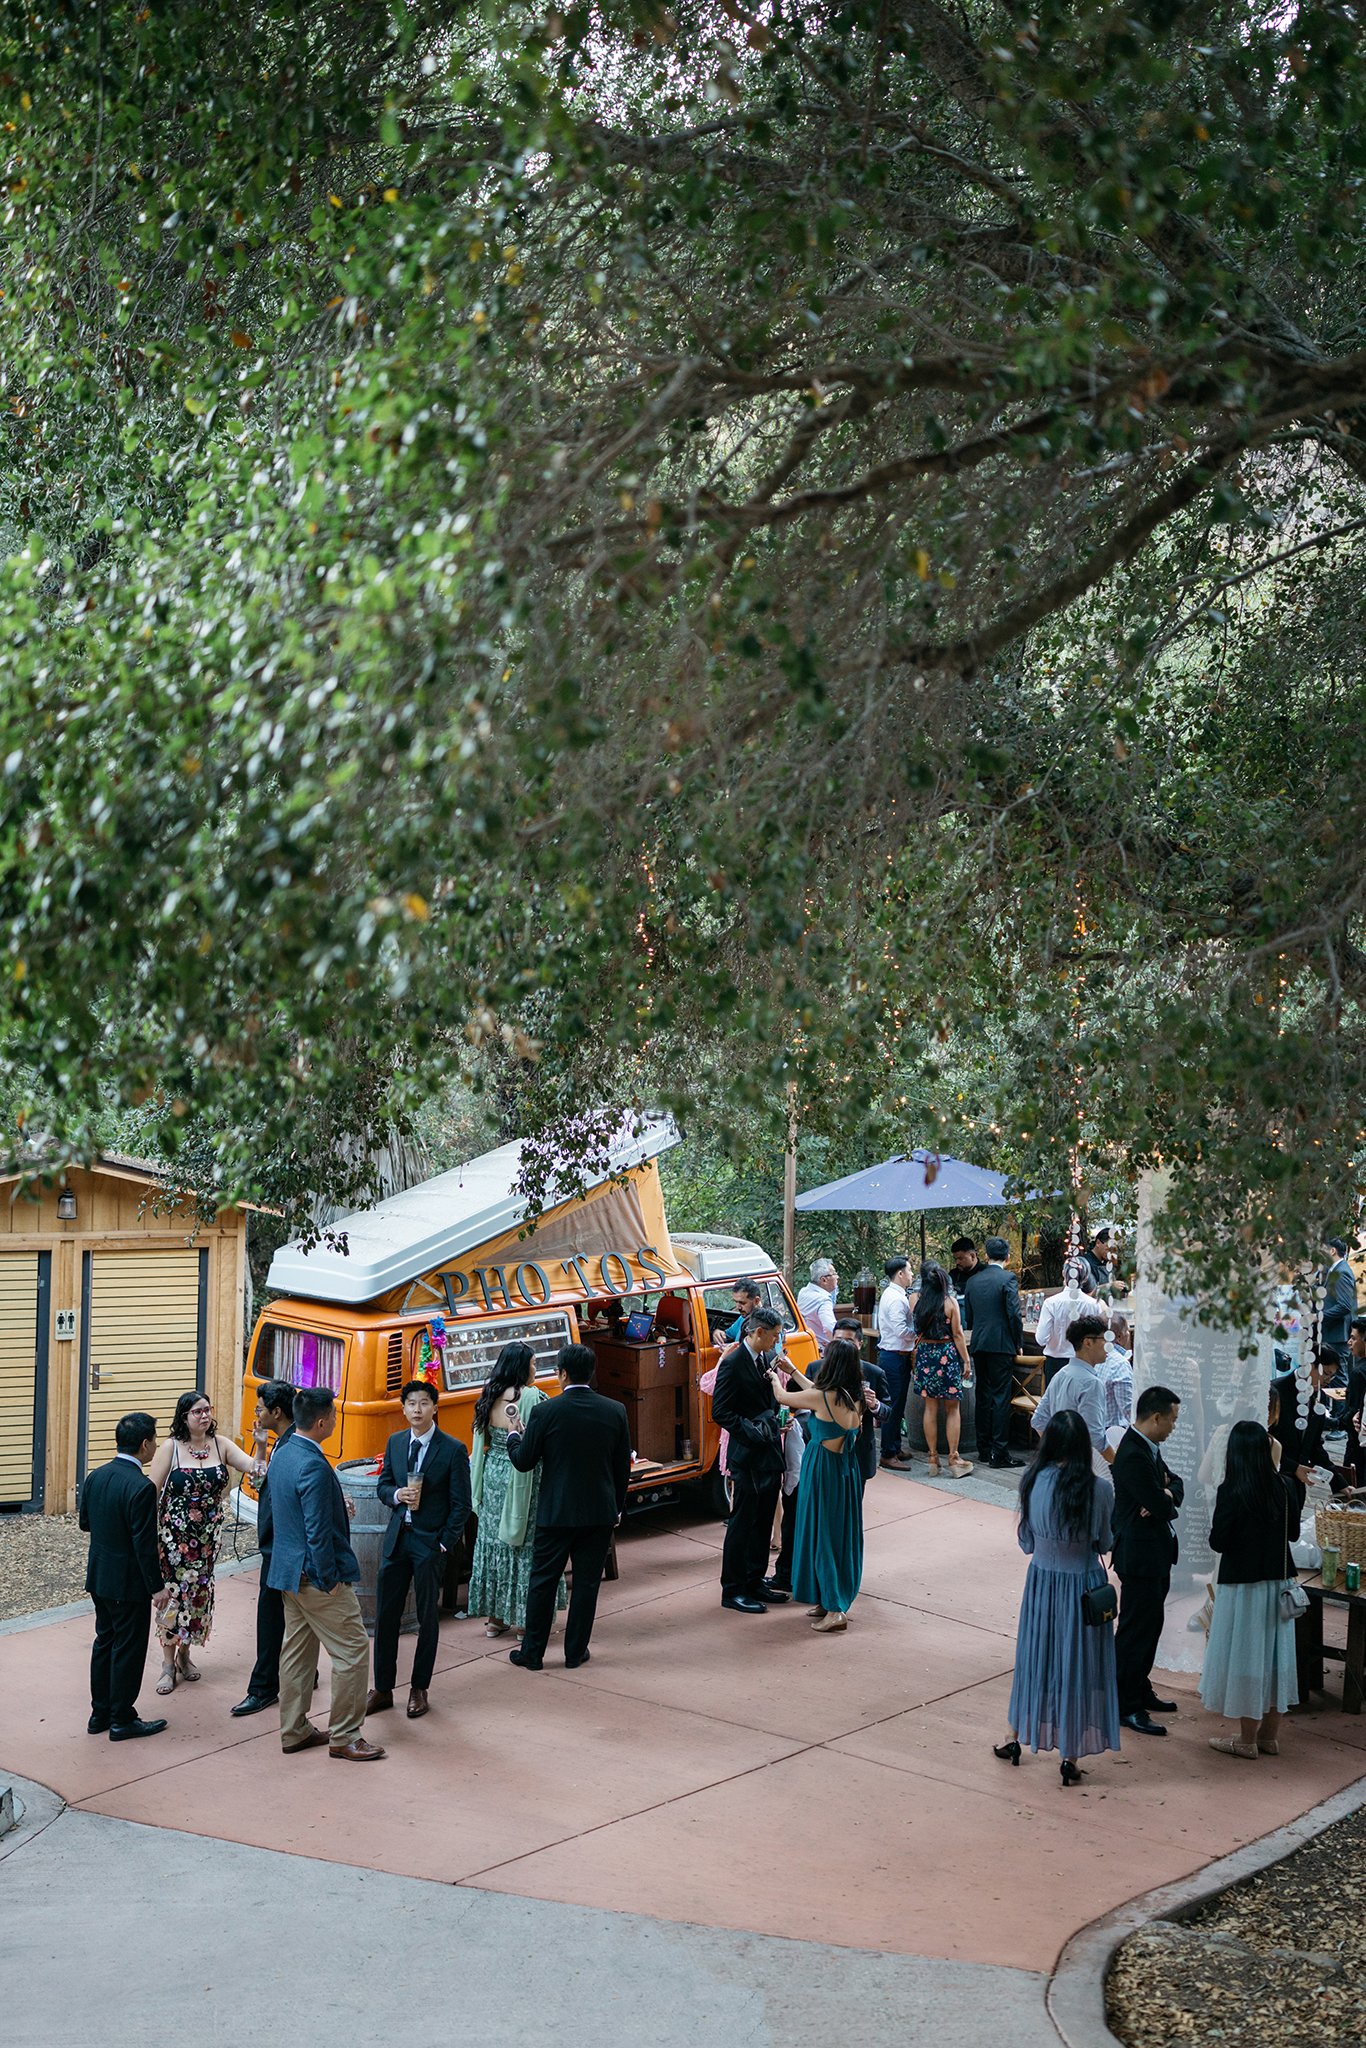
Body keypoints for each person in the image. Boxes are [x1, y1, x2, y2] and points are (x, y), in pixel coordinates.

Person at [994, 1409, 1120, 1787]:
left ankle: (1014, 1737)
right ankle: (1070, 1755)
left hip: (1042, 1583)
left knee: (1035, 1657)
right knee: (1078, 1664)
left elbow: (1026, 1542)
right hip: (1083, 1584)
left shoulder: (1032, 1481)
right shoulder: (1100, 1489)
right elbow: (1105, 1541)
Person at [265, 1385, 385, 1762]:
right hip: (316, 1576)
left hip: (287, 1572)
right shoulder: (314, 1465)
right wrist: (329, 1580)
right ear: (321, 1423)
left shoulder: (283, 1452)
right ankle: (346, 1735)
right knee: (351, 1651)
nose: (336, 1419)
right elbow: (317, 1532)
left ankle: (294, 1729)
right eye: (333, 1415)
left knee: (297, 1653)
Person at [505, 1342, 632, 1669]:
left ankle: (532, 1653)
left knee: (543, 1581)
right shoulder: (615, 1410)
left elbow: (523, 1462)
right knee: (588, 1584)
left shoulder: (545, 1412)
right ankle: (576, 1652)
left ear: (562, 1373)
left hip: (556, 1513)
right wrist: (616, 1508)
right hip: (599, 1512)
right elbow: (622, 1468)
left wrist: (513, 1437)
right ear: (592, 1373)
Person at [367, 1379, 472, 1721]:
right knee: (386, 1614)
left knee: (428, 1616)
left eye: (423, 1403)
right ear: (403, 1408)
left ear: (434, 1408)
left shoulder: (452, 1449)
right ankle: (382, 1687)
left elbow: (461, 1505)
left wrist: (443, 1541)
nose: (416, 1410)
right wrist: (397, 1495)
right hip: (399, 1538)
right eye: (411, 1403)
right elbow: (383, 1485)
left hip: (429, 1542)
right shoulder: (397, 1442)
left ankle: (419, 1687)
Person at [148, 1389, 263, 1696]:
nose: (204, 1416)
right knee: (174, 1597)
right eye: (197, 1411)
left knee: (198, 1597)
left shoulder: (220, 1444)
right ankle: (168, 1663)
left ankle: (186, 1654)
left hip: (206, 1542)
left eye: (207, 1410)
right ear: (183, 1417)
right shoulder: (170, 1448)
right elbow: (151, 1491)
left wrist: (262, 1445)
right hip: (174, 1540)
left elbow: (255, 1469)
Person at [1201, 1418, 1301, 1759]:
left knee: (1247, 1657)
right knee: (1276, 1657)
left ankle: (1245, 1739)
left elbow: (1218, 1542)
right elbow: (1293, 1535)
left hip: (1242, 1587)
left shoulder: (1231, 1490)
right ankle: (1269, 1736)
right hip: (1279, 1584)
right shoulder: (1285, 1486)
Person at [80, 1411, 171, 1741]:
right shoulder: (142, 1488)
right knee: (128, 1649)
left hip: (100, 1576)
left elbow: (85, 1524)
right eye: (154, 1441)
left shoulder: (95, 1476)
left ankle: (99, 1712)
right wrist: (157, 1587)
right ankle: (122, 1718)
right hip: (127, 1583)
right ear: (145, 1445)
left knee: (104, 1641)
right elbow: (144, 1545)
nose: (156, 1446)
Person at [467, 1343, 566, 1639]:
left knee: (493, 1543)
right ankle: (525, 1621)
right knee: (524, 1544)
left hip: (492, 1471)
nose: (536, 1369)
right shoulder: (533, 1396)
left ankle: (495, 1619)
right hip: (522, 1473)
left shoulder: (489, 1394)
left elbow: (480, 1440)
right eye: (533, 1364)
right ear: (522, 1367)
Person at [777, 1338, 870, 1632]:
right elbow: (815, 1393)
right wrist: (792, 1370)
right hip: (846, 1471)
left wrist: (772, 1378)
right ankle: (827, 1599)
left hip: (823, 1470)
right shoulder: (851, 1395)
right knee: (836, 1534)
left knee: (823, 1536)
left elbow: (785, 1398)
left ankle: (835, 1609)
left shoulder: (825, 1396)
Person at [1111, 1386, 1183, 1738]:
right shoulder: (1134, 1454)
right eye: (1172, 1420)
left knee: (1149, 1625)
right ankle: (1126, 1704)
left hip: (1153, 1551)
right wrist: (1162, 1496)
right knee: (1136, 1630)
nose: (1173, 1427)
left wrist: (1165, 1493)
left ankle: (1139, 1688)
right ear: (1156, 1417)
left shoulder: (1148, 1448)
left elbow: (1174, 1487)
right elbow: (1161, 1503)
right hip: (1139, 1556)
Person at [711, 1307, 789, 1613]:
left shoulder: (767, 1359)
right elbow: (721, 1411)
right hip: (747, 1452)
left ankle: (755, 1579)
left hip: (769, 1448)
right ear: (758, 1332)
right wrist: (753, 1431)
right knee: (742, 1522)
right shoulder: (731, 1363)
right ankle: (732, 1589)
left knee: (763, 1518)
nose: (776, 1340)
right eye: (773, 1335)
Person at [231, 1378, 298, 1718]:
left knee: (271, 1618)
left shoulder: (291, 1448)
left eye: (260, 1409)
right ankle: (304, 1672)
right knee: (295, 1616)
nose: (256, 1414)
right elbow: (258, 1482)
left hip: (282, 1548)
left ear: (276, 1411)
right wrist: (259, 1447)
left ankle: (263, 1688)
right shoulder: (280, 1444)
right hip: (279, 1546)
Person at [963, 1236, 1025, 1470]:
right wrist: (1017, 1341)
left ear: (986, 1256)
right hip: (1001, 1345)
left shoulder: (973, 1281)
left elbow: (969, 1316)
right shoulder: (1008, 1278)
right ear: (1008, 1257)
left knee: (983, 1394)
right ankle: (999, 1453)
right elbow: (1013, 1314)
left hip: (979, 1343)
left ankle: (983, 1448)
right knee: (1000, 1397)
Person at [911, 1260, 974, 1478]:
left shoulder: (915, 1301)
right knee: (952, 1408)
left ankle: (932, 1458)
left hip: (925, 1354)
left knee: (930, 1407)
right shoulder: (950, 1303)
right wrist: (965, 1361)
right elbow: (957, 1335)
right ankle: (954, 1459)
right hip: (946, 1355)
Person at [1030, 1313, 1113, 1462]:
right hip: (1081, 1468)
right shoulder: (1091, 1383)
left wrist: (1055, 1452)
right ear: (1088, 1342)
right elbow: (1095, 1438)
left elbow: (1038, 1420)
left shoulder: (1061, 1374)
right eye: (1104, 1339)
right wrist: (1118, 1462)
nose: (1109, 1345)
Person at [1034, 1260, 1108, 1384]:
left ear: (1064, 1273)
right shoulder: (1093, 1305)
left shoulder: (1051, 1303)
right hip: (1084, 1362)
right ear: (1085, 1278)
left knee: (1056, 1401)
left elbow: (1041, 1339)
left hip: (1055, 1363)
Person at [834, 1314, 888, 1482]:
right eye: (837, 1340)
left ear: (859, 1344)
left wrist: (875, 1405)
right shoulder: (816, 1369)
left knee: (855, 1503)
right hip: (827, 1448)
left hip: (859, 1449)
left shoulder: (874, 1373)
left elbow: (888, 1413)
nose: (842, 1346)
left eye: (849, 1342)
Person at [876, 1254, 916, 1469]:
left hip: (898, 1356)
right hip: (894, 1357)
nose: (911, 1274)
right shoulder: (895, 1298)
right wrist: (918, 1333)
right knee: (892, 1406)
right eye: (909, 1270)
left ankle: (895, 1446)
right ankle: (887, 1453)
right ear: (900, 1273)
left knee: (898, 1405)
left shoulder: (897, 1294)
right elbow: (901, 1331)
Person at [1321, 1237, 1358, 1365]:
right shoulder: (1334, 1270)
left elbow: (1345, 1306)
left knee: (1338, 1378)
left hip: (1338, 1335)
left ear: (1332, 1251)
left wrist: (1319, 1316)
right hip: (1334, 1334)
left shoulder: (1341, 1272)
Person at [1098, 1317, 1135, 1438]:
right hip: (1113, 1433)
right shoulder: (1120, 1364)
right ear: (1119, 1337)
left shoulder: (1093, 1355)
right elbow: (1128, 1408)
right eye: (1127, 1331)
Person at [796, 1258, 839, 1353]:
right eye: (834, 1274)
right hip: (821, 1350)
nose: (837, 1277)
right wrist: (839, 1345)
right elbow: (829, 1327)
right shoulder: (822, 1300)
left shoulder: (803, 1292)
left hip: (807, 1344)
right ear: (824, 1280)